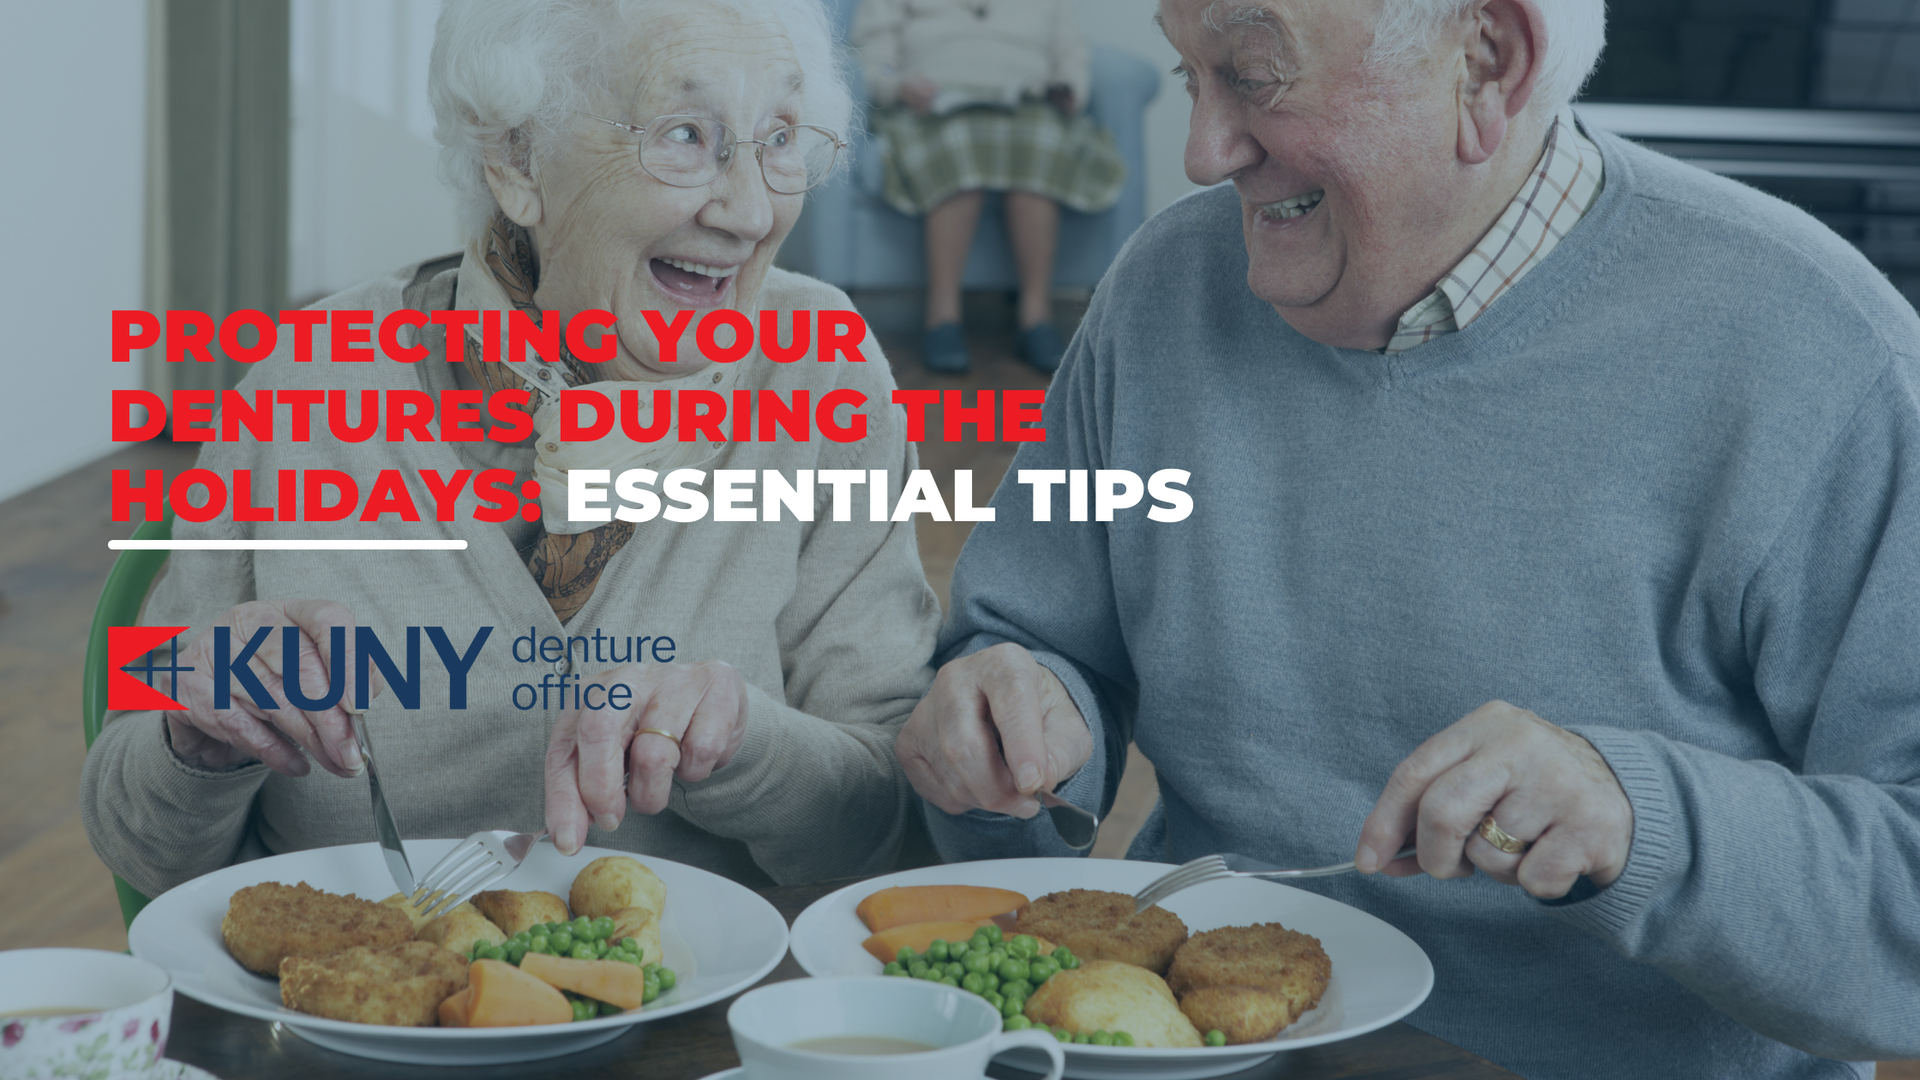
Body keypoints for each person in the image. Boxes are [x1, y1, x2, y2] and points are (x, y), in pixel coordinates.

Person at [893, 1, 1920, 1077]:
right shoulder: (1159, 292)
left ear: (1487, 61)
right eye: (1188, 74)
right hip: (1203, 1050)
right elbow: (1027, 650)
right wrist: (1006, 723)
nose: (1202, 152)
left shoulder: (1822, 354)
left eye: (1254, 75)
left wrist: (1640, 819)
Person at [82, 0, 942, 896]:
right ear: (515, 158)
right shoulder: (309, 382)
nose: (751, 209)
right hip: (352, 1006)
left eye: (781, 139)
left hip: (712, 1025)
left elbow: (892, 829)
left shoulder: (820, 370)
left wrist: (749, 746)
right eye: (686, 135)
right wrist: (198, 735)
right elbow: (143, 845)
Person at [851, 0, 1126, 375]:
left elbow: (1070, 51)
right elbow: (874, 52)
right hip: (932, 106)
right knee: (960, 147)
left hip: (1027, 103)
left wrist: (1068, 88)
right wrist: (897, 83)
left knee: (1040, 145)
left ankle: (1036, 317)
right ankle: (942, 317)